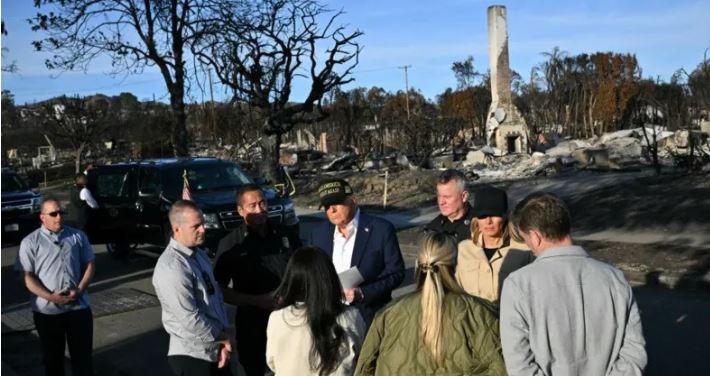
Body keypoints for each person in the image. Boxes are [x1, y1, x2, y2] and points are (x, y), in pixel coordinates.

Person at [500, 193, 647, 375]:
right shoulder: (615, 278)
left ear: (536, 237)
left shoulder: (518, 285)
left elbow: (519, 363)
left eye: (526, 239)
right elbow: (634, 351)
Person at [354, 232, 506, 375]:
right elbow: (501, 368)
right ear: (454, 265)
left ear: (417, 265)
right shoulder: (480, 313)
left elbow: (364, 368)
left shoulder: (388, 314)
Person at [214, 185, 301, 376]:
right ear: (240, 210)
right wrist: (256, 301)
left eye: (262, 203)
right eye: (252, 206)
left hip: (291, 319)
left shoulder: (285, 235)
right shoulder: (231, 244)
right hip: (253, 325)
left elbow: (304, 271)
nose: (260, 209)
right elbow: (218, 290)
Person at [307, 178, 405, 327]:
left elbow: (396, 273)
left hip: (369, 317)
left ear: (353, 200)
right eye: (327, 206)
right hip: (330, 317)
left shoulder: (380, 230)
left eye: (336, 204)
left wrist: (363, 292)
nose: (331, 210)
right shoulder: (318, 234)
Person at [16, 199, 96, 376]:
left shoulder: (77, 236)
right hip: (48, 313)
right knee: (53, 362)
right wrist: (50, 296)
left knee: (83, 361)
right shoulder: (30, 242)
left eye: (61, 213)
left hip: (79, 309)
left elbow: (89, 264)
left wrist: (80, 289)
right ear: (42, 217)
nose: (59, 217)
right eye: (53, 214)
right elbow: (26, 276)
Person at [153, 200, 233, 376]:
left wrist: (222, 341)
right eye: (196, 226)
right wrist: (224, 337)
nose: (203, 229)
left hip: (214, 349)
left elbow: (214, 299)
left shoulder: (199, 255)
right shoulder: (172, 267)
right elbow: (190, 319)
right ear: (176, 229)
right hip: (192, 357)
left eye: (203, 223)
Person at [266, 246, 366, 376]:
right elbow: (363, 361)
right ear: (329, 278)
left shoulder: (278, 318)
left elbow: (272, 362)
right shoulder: (350, 317)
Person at [456, 186, 534, 302]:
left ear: (505, 216)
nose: (488, 221)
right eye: (483, 216)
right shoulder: (464, 249)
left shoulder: (524, 250)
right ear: (476, 219)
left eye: (494, 214)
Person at [424, 169, 475, 244]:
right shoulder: (432, 229)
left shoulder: (481, 225)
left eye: (447, 197)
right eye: (439, 196)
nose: (441, 202)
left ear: (464, 196)